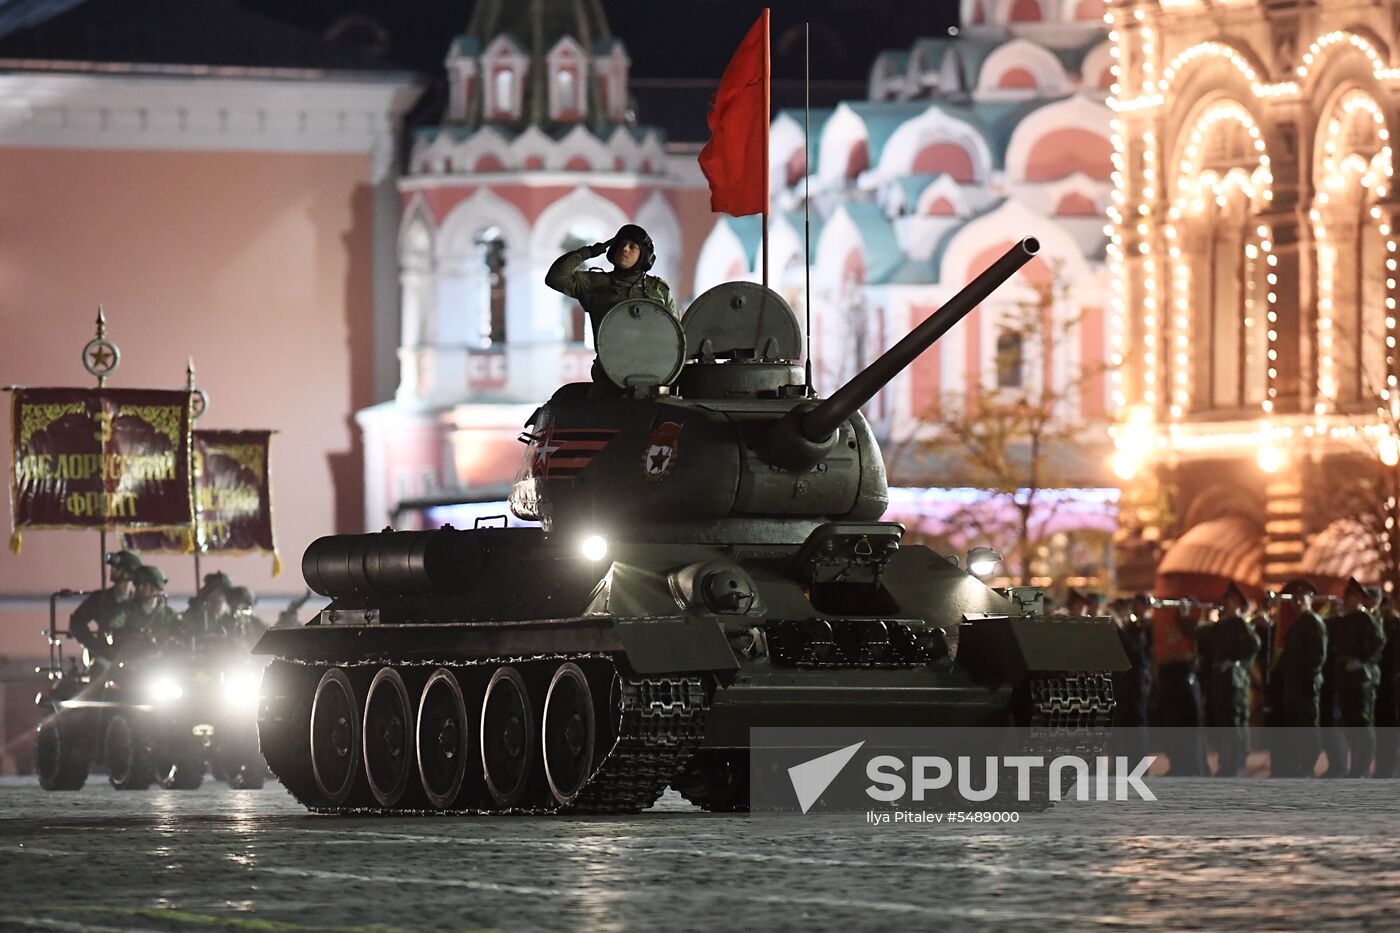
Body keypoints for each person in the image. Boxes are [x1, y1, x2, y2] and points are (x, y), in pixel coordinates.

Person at [544, 224, 677, 392]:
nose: (625, 249)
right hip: (609, 372)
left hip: (651, 373)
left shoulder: (658, 289)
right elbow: (556, 277)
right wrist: (589, 252)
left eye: (632, 247)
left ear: (643, 255)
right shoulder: (594, 283)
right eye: (621, 244)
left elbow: (674, 333)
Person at [1200, 582, 1261, 776]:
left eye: (1228, 600)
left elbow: (1253, 645)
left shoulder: (1239, 623)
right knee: (1223, 722)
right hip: (1221, 679)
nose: (1224, 603)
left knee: (1234, 723)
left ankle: (1235, 763)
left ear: (1237, 603)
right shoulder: (1222, 625)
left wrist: (1233, 660)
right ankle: (1226, 762)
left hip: (1234, 680)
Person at [1268, 579, 1328, 777]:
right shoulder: (1297, 625)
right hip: (1293, 686)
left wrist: (1305, 680)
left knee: (1307, 728)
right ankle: (1302, 765)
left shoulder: (1313, 623)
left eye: (1303, 597)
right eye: (1296, 598)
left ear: (1311, 599)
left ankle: (1308, 766)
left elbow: (1317, 657)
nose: (1299, 601)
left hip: (1305, 686)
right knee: (1296, 727)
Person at [1328, 578, 1385, 777]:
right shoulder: (1344, 620)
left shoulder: (1366, 619)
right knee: (1350, 724)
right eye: (1347, 595)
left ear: (1360, 598)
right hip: (1345, 675)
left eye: (1351, 595)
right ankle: (1354, 768)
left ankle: (1362, 768)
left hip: (1361, 678)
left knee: (1362, 724)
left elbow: (1377, 644)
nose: (1347, 599)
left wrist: (1361, 661)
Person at [1153, 598, 1206, 775]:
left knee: (1190, 730)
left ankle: (1194, 768)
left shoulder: (1195, 622)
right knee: (1172, 727)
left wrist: (1184, 616)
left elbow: (1193, 632)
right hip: (1170, 680)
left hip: (1187, 680)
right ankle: (1177, 764)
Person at [68, 549, 143, 661]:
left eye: (116, 568)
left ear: (128, 573)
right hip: (106, 655)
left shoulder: (139, 602)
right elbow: (76, 622)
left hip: (132, 657)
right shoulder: (100, 599)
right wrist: (94, 645)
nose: (112, 570)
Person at [108, 565, 180, 657]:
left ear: (155, 587)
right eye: (136, 584)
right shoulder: (126, 609)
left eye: (142, 584)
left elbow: (181, 632)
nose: (138, 587)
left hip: (161, 662)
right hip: (130, 659)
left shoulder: (169, 614)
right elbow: (115, 624)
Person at [1374, 593, 1400, 778]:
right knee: (1382, 727)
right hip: (1382, 683)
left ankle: (1391, 768)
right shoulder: (1378, 624)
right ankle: (1383, 767)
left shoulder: (1396, 625)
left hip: (1395, 683)